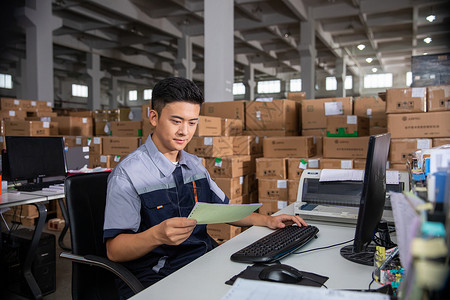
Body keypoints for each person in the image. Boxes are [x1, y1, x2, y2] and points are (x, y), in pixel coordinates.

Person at [103, 77, 307, 298]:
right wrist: (157, 235)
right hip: (159, 276)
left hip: (203, 261)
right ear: (154, 117)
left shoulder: (194, 165)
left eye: (192, 122)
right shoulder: (128, 174)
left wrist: (268, 220)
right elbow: (114, 250)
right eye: (176, 121)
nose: (185, 131)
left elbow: (224, 209)